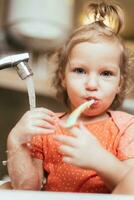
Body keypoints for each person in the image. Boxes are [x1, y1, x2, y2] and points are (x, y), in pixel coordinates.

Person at [6, 0, 134, 194]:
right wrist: (16, 141)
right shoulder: (47, 128)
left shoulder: (126, 127)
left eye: (106, 74)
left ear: (120, 84)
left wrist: (101, 160)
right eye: (80, 70)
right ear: (63, 78)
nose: (92, 85)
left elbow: (130, 188)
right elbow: (27, 189)